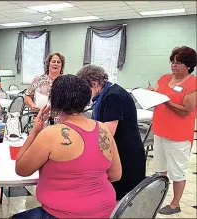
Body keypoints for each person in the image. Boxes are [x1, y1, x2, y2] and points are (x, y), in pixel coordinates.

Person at [13, 75, 122, 218]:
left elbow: (21, 169)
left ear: (54, 102)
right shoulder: (103, 129)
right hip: (106, 212)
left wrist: (34, 131)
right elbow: (115, 175)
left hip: (63, 214)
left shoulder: (50, 134)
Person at [77, 64, 146, 201]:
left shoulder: (113, 96)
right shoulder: (108, 92)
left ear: (94, 84)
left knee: (121, 199)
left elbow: (107, 132)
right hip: (122, 151)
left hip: (126, 156)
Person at [148, 46, 196, 215]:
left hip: (178, 136)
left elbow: (185, 110)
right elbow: (158, 98)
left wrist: (166, 101)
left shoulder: (192, 84)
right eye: (173, 62)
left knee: (177, 171)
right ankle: (157, 196)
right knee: (160, 168)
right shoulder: (164, 78)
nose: (174, 66)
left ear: (189, 65)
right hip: (160, 130)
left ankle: (175, 204)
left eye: (179, 63)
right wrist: (151, 95)